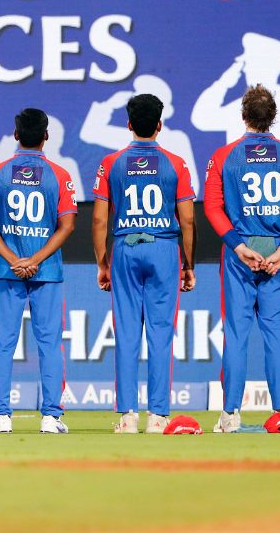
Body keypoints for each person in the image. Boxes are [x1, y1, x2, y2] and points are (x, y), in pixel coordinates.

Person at [203, 86, 280, 433]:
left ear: (243, 115)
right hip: (277, 253)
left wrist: (238, 247)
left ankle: (230, 415)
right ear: (273, 116)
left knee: (236, 335)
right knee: (276, 335)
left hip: (239, 254)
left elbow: (213, 207)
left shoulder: (224, 156)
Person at [91, 93, 196, 434]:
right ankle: (158, 416)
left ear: (128, 124)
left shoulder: (112, 163)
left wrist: (102, 263)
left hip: (125, 247)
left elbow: (99, 220)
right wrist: (188, 264)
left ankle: (127, 417)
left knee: (126, 333)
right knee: (160, 333)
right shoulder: (176, 163)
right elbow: (188, 220)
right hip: (164, 248)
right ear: (160, 125)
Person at [0, 108, 77, 434]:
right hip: (46, 271)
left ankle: (1, 417)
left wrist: (13, 259)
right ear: (46, 136)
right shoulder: (60, 175)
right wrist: (35, 259)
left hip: (8, 271)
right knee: (49, 344)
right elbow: (67, 225)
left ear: (16, 135)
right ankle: (51, 417)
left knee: (2, 343)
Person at [81, 75, 200, 196]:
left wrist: (109, 105)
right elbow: (89, 133)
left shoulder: (176, 139)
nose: (145, 109)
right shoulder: (123, 138)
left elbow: (192, 185)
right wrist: (108, 105)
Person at [191, 33, 280, 145]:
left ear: (268, 66)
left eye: (250, 63)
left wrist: (223, 83)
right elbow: (202, 119)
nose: (245, 69)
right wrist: (223, 83)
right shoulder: (238, 108)